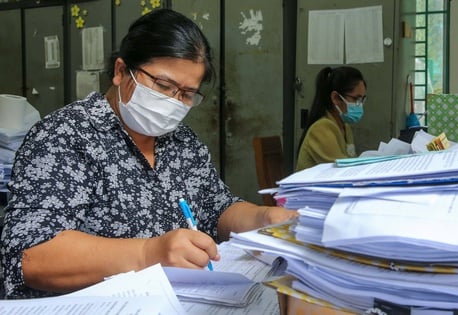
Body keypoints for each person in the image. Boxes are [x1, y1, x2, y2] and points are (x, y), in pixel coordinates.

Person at [0, 8, 296, 299]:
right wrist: (147, 253)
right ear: (120, 72)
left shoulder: (182, 142)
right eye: (163, 85)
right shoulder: (66, 136)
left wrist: (264, 218)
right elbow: (31, 255)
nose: (173, 102)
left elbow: (216, 207)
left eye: (186, 94)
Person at [295, 66, 367, 172]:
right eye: (356, 99)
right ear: (336, 98)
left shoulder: (345, 127)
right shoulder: (321, 129)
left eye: (362, 99)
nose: (359, 104)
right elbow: (342, 171)